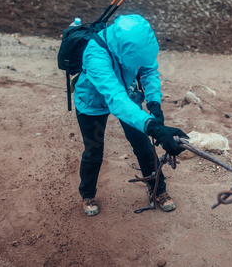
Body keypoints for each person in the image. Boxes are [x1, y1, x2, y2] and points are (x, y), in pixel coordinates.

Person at [73, 14, 188, 216]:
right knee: (94, 151)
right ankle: (87, 193)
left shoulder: (137, 45)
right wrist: (151, 125)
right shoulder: (95, 55)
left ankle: (157, 189)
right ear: (120, 51)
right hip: (93, 102)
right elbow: (116, 99)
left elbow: (149, 70)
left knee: (143, 145)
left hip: (127, 92)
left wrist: (154, 105)